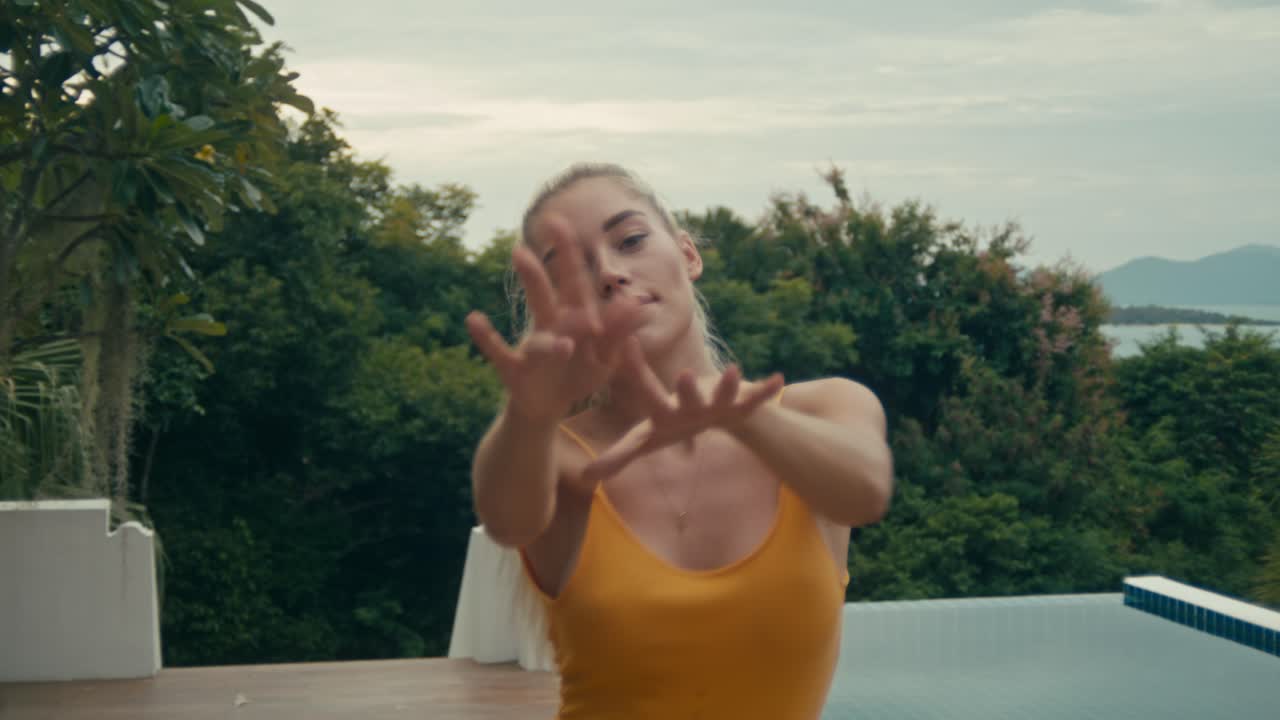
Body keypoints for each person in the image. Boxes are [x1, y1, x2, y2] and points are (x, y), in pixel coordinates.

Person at [465, 163, 894, 719]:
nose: (611, 274)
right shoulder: (563, 456)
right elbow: (507, 519)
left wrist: (741, 416)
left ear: (688, 254)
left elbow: (864, 490)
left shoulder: (829, 407)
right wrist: (527, 413)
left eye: (631, 240)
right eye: (570, 272)